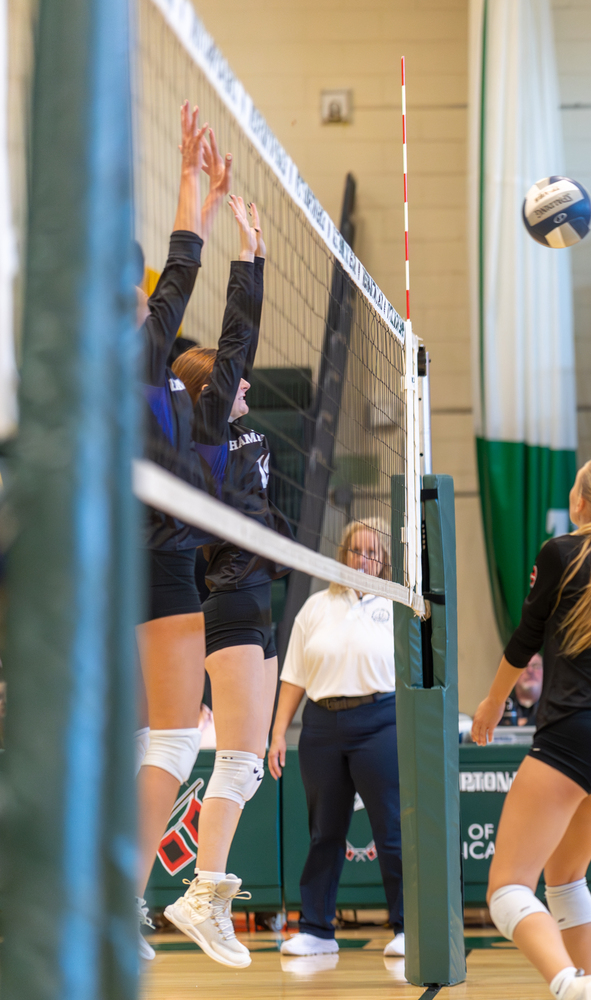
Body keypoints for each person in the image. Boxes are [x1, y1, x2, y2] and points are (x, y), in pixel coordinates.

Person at [469, 455, 591, 1000]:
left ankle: (568, 984)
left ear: (580, 502)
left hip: (577, 731)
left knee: (507, 889)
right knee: (567, 877)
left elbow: (525, 638)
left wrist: (492, 702)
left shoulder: (561, 552)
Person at [160, 196, 286, 967]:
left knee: (239, 763)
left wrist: (257, 252)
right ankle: (203, 892)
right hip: (231, 598)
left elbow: (239, 354)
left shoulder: (239, 427)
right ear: (211, 388)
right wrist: (251, 259)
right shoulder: (206, 429)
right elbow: (237, 341)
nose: (246, 387)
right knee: (230, 760)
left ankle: (197, 890)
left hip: (260, 599)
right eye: (233, 381)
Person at [133, 105, 231, 961]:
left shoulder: (54, 355)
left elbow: (179, 259)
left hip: (88, 555)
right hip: (156, 553)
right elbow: (185, 258)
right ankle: (120, 897)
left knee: (130, 736)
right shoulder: (141, 340)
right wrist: (192, 171)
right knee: (173, 734)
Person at [266, 521, 405, 959]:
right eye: (355, 550)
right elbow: (292, 678)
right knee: (324, 831)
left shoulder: (398, 603)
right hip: (321, 726)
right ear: (343, 554)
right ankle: (316, 930)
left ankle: (407, 928)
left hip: (382, 721)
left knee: (392, 828)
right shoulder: (314, 607)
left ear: (383, 559)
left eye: (372, 551)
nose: (363, 558)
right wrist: (276, 733)